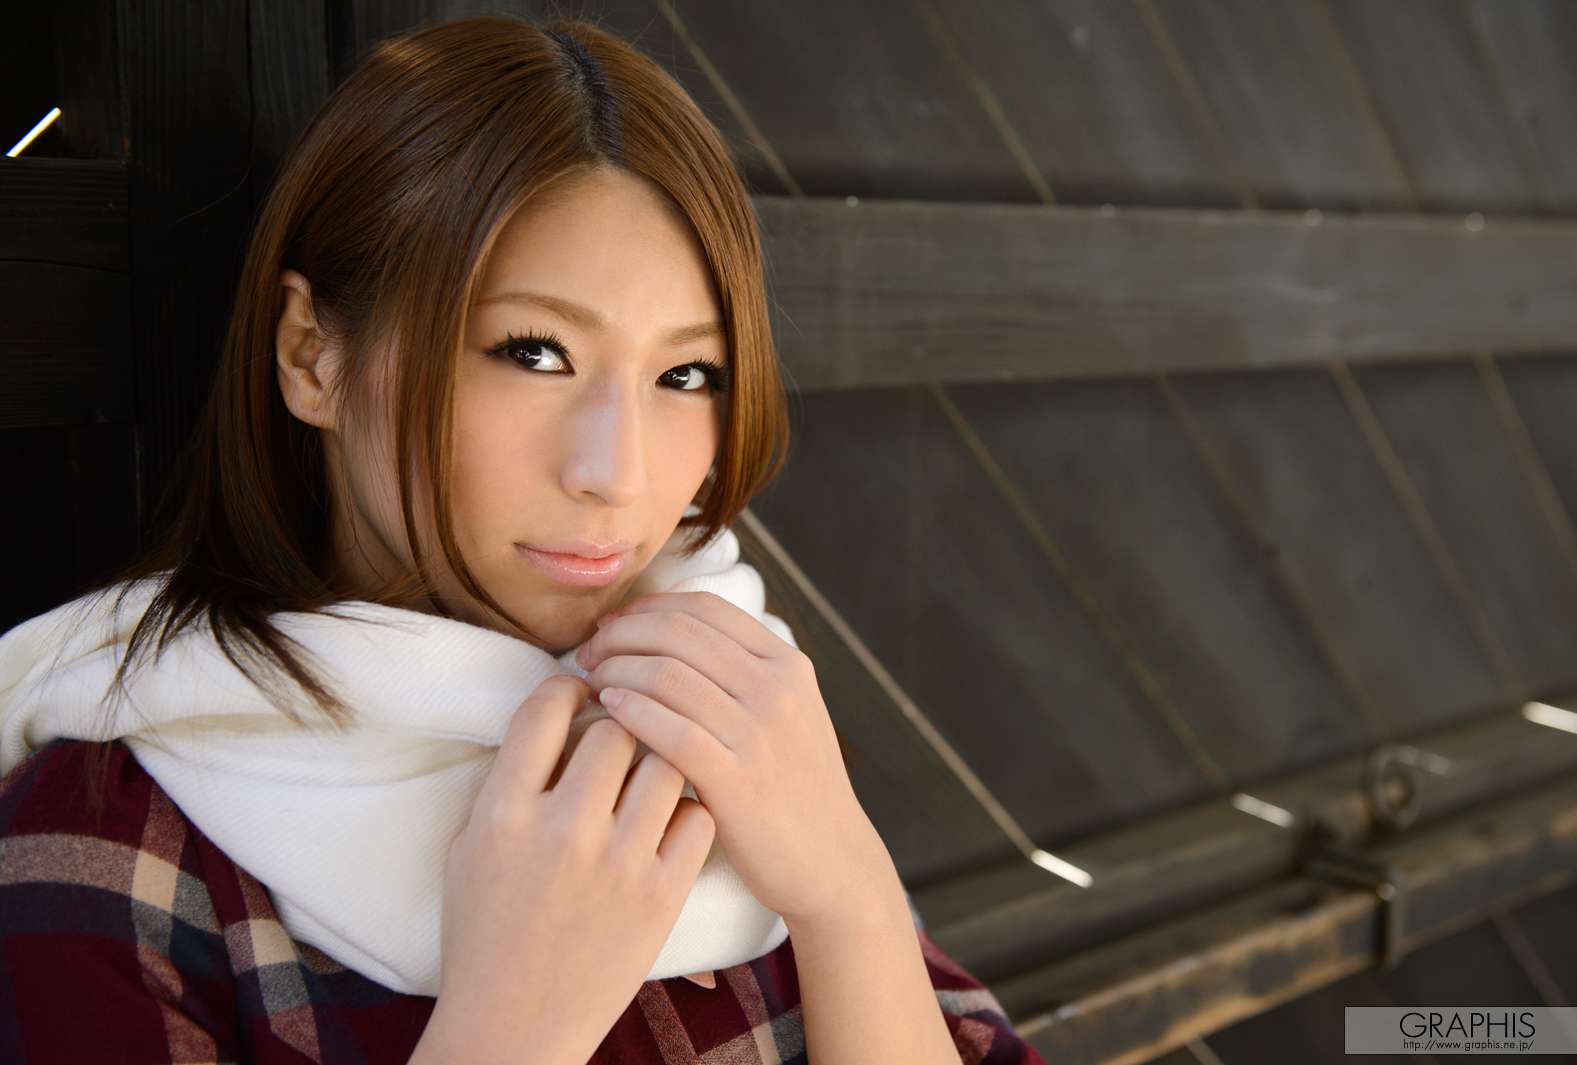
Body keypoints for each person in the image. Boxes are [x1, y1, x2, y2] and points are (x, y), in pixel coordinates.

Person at [0, 13, 1050, 1064]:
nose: (616, 474)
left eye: (686, 373)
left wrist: (847, 899)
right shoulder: (113, 844)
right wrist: (514, 1023)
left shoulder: (726, 694)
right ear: (313, 355)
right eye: (535, 353)